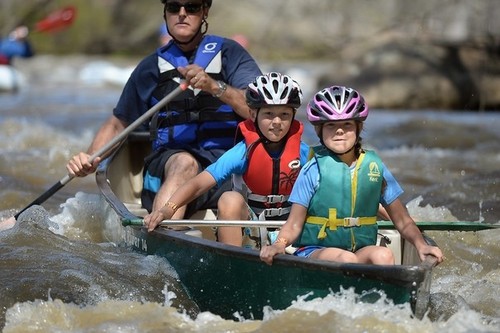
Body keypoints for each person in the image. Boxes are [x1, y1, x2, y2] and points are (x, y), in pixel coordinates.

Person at [66, 0, 262, 219]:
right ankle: (164, 233)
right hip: (170, 165)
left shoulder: (231, 54)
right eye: (173, 7)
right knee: (184, 162)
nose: (182, 14)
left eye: (192, 7)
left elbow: (258, 109)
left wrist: (214, 86)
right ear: (165, 13)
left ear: (205, 11)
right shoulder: (150, 67)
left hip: (226, 166)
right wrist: (92, 158)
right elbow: (118, 123)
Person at [260, 85, 444, 265]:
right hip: (315, 250)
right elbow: (293, 225)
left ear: (358, 127)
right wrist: (279, 245)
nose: (339, 131)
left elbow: (402, 221)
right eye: (331, 125)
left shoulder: (374, 167)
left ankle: (383, 295)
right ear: (319, 130)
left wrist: (421, 245)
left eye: (347, 124)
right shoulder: (312, 169)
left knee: (383, 255)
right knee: (346, 258)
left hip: (359, 250)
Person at [144, 72, 310, 247]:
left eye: (284, 114)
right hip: (250, 227)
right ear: (253, 115)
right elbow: (199, 184)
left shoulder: (305, 152)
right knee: (229, 198)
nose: (277, 121)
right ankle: (232, 262)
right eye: (269, 113)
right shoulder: (242, 152)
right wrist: (167, 209)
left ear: (293, 116)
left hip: (291, 228)